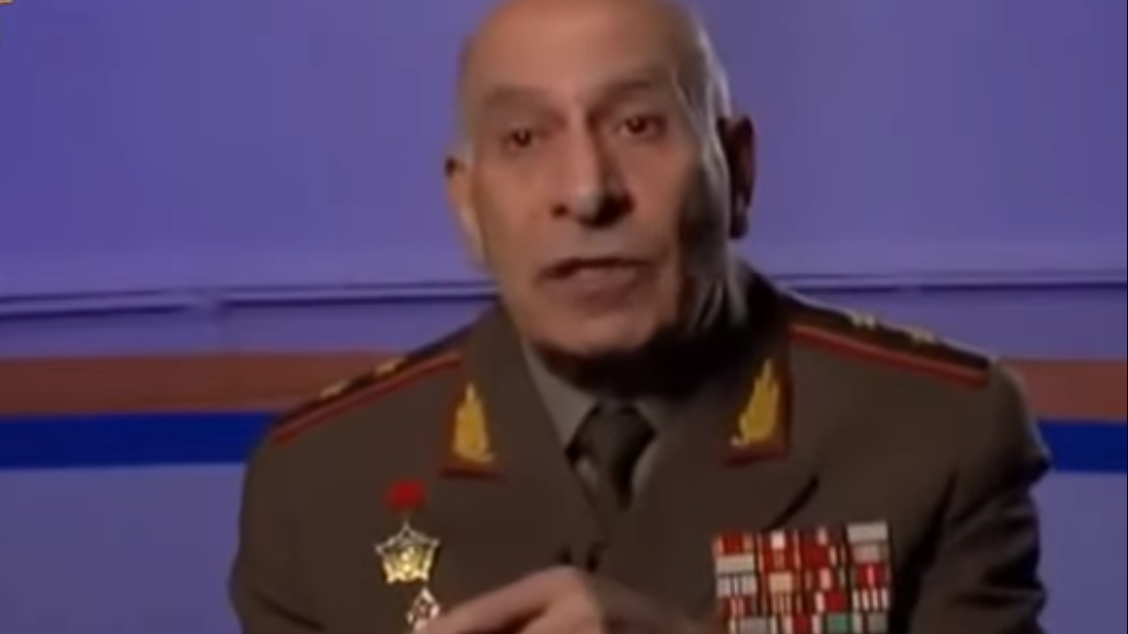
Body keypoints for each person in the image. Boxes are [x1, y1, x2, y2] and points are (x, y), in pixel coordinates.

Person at [228, 0, 1049, 631]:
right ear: (467, 207)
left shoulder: (936, 434)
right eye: (524, 139)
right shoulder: (319, 482)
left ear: (737, 171)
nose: (587, 192)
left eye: (637, 125)